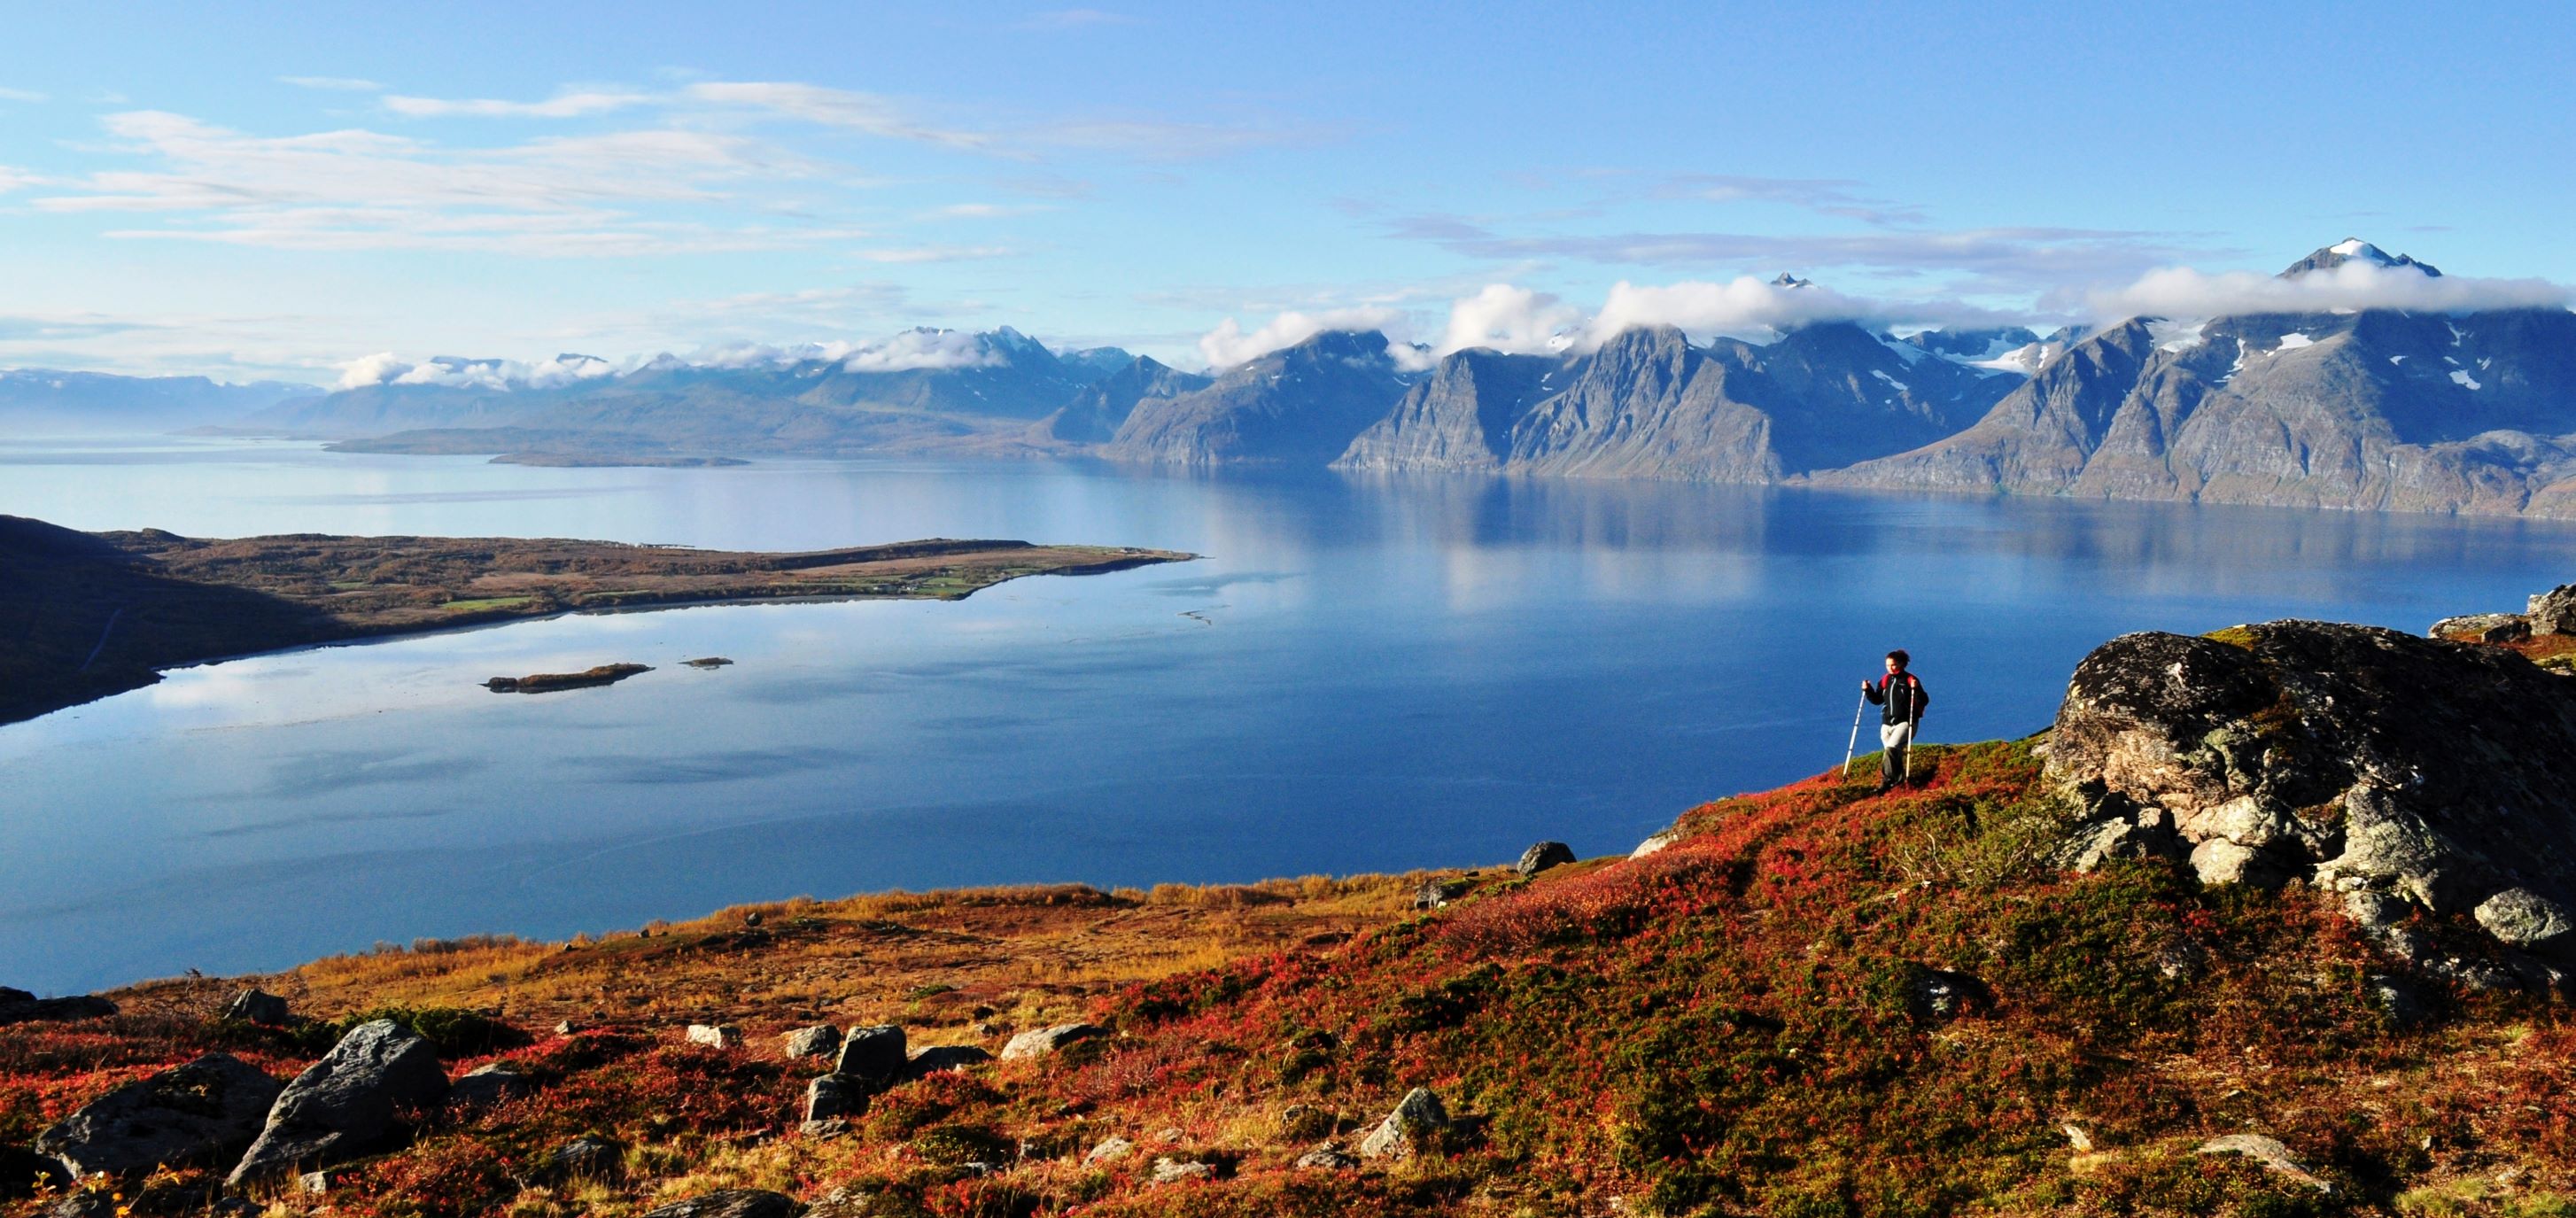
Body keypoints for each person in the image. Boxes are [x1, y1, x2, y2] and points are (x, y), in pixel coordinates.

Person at [1861, 649, 1928, 792]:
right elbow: (1877, 700)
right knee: (1893, 754)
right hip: (1887, 724)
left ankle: (1886, 782)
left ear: (1902, 664)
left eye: (1893, 665)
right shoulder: (1885, 680)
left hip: (1906, 722)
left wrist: (1915, 689)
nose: (1890, 668)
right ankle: (1898, 782)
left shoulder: (1910, 680)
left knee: (1891, 750)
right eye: (1888, 665)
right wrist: (1868, 690)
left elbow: (1924, 700)